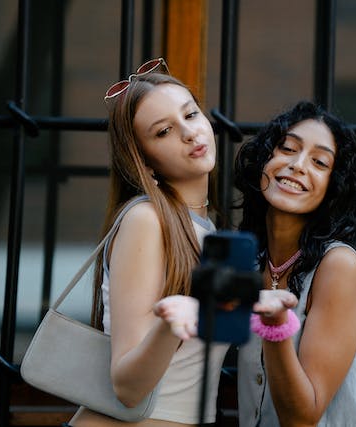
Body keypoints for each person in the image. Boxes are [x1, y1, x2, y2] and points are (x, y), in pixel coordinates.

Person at [68, 58, 229, 426]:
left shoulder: (204, 229)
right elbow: (127, 386)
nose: (189, 133)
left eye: (190, 115)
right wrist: (173, 322)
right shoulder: (148, 220)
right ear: (144, 161)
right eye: (163, 132)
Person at [234, 101, 356, 427]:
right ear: (264, 160)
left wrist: (275, 328)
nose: (298, 165)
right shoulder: (255, 261)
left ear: (333, 187)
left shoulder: (339, 267)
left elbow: (302, 417)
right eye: (287, 148)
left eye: (319, 162)